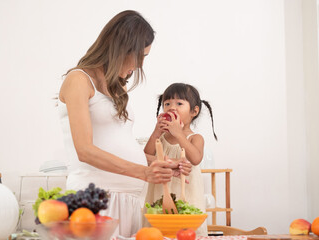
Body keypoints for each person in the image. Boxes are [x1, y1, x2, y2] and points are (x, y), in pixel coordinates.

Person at [57, 10, 180, 237]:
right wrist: (144, 172)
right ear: (121, 47)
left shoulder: (118, 87)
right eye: (139, 56)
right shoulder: (78, 80)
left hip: (130, 199)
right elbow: (84, 150)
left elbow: (119, 145)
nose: (141, 65)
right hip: (95, 197)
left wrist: (162, 164)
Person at [144, 83, 218, 236]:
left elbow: (196, 158)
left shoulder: (195, 138)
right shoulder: (161, 138)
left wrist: (178, 133)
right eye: (167, 103)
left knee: (186, 234)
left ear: (194, 111)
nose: (172, 107)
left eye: (179, 103)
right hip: (160, 195)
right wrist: (156, 132)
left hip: (187, 196)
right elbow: (146, 155)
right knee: (157, 233)